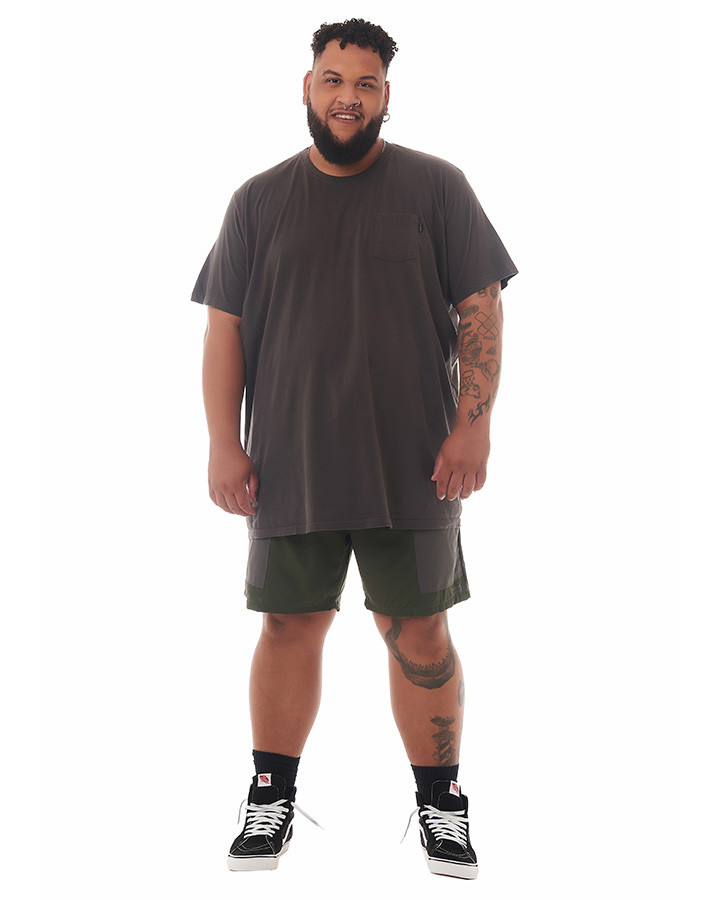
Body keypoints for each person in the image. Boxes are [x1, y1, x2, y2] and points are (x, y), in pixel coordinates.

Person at [191, 18, 517, 880]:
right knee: (288, 625)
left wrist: (474, 425)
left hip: (414, 463)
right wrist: (223, 444)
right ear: (306, 88)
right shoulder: (257, 200)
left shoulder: (436, 186)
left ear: (385, 97)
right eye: (333, 80)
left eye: (365, 84)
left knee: (418, 631)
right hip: (289, 458)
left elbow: (479, 308)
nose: (348, 97)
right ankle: (270, 797)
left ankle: (441, 803)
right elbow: (225, 330)